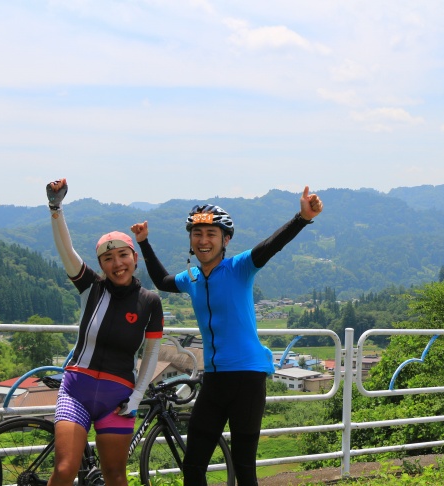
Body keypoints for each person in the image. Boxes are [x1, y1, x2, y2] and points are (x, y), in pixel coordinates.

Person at [131, 186, 323, 485]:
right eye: (197, 234)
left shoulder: (239, 268)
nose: (203, 241)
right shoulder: (192, 278)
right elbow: (162, 280)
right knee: (193, 465)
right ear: (191, 241)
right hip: (215, 380)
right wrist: (143, 242)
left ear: (225, 240)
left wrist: (302, 218)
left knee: (244, 467)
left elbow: (271, 245)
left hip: (247, 377)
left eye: (211, 234)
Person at [46, 178, 164, 486]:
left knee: (114, 475)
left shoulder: (150, 302)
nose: (117, 263)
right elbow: (65, 250)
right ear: (101, 264)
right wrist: (56, 208)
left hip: (119, 399)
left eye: (123, 255)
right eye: (107, 259)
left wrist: (137, 396)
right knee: (64, 470)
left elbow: (151, 353)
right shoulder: (92, 288)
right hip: (76, 390)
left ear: (134, 258)